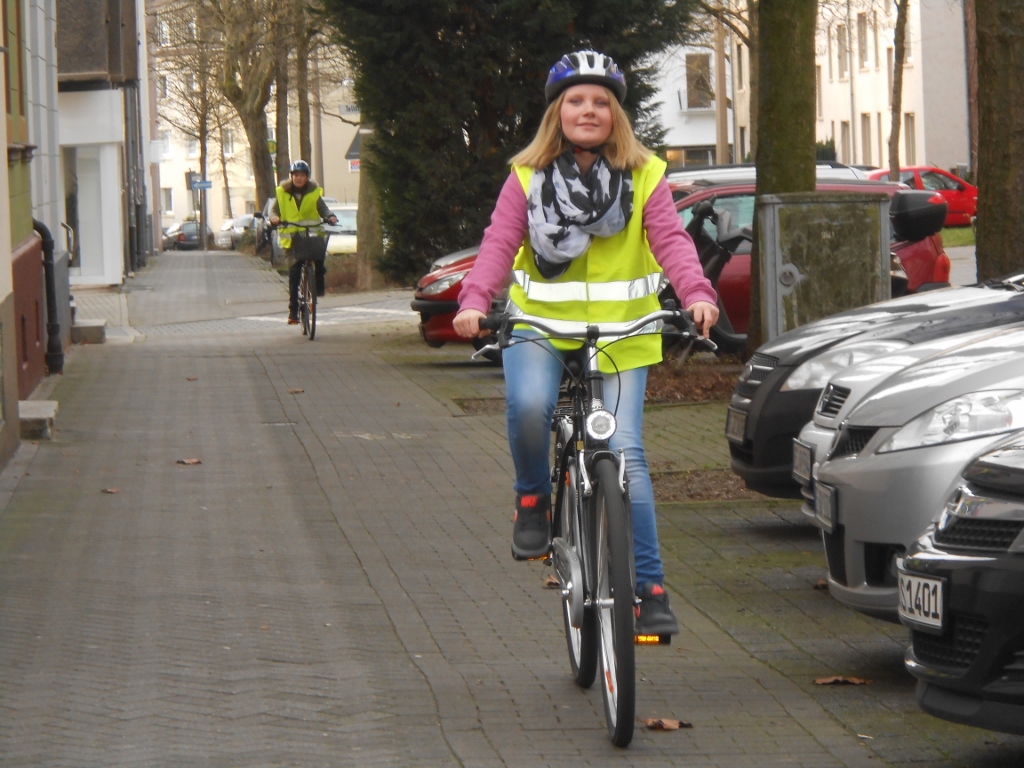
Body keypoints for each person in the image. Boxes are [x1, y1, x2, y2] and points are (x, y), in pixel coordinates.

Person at [454, 51, 719, 635]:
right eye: (576, 100)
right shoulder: (525, 177)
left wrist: (696, 292)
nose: (589, 109)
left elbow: (671, 241)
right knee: (528, 408)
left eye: (601, 101)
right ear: (557, 112)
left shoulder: (645, 173)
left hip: (622, 334)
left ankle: (648, 588)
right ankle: (532, 499)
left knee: (625, 454)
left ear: (616, 114)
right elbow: (499, 244)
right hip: (542, 331)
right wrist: (475, 302)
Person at [269, 160, 338, 324]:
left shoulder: (314, 192)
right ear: (291, 177)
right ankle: (293, 311)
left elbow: (322, 208)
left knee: (319, 258)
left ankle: (318, 285)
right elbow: (274, 210)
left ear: (307, 177)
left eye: (303, 175)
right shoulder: (282, 193)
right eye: (296, 175)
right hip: (292, 240)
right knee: (294, 274)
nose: (299, 178)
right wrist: (274, 218)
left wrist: (330, 216)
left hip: (310, 235)